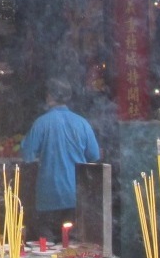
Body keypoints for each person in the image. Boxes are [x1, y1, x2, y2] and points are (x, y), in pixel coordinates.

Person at [20, 80, 100, 244]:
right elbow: (94, 155)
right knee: (72, 246)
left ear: (49, 97)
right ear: (68, 97)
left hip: (48, 197)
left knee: (46, 247)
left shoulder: (42, 123)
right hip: (74, 196)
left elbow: (27, 154)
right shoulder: (82, 123)